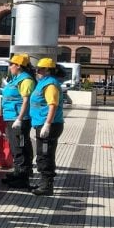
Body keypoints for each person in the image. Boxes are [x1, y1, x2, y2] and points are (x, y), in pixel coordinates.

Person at [29, 58, 65, 196]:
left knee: (45, 154)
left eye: (40, 69)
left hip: (49, 125)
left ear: (48, 70)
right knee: (42, 154)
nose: (37, 71)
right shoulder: (43, 83)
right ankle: (44, 182)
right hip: (41, 123)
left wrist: (47, 124)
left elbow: (52, 105)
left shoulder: (50, 85)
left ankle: (47, 185)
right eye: (37, 69)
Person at [0, 54, 37, 189]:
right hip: (11, 117)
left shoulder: (25, 80)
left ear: (19, 66)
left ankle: (22, 177)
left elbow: (26, 101)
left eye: (11, 64)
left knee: (20, 147)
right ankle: (18, 173)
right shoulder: (16, 79)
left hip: (18, 119)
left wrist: (19, 119)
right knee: (16, 146)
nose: (9, 67)